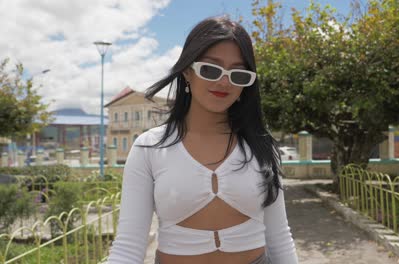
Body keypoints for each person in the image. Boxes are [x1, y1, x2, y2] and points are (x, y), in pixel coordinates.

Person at [108, 16, 298, 264]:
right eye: (210, 69)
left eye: (238, 74)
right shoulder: (149, 148)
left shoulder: (261, 147)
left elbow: (280, 239)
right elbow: (127, 249)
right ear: (188, 70)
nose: (224, 81)